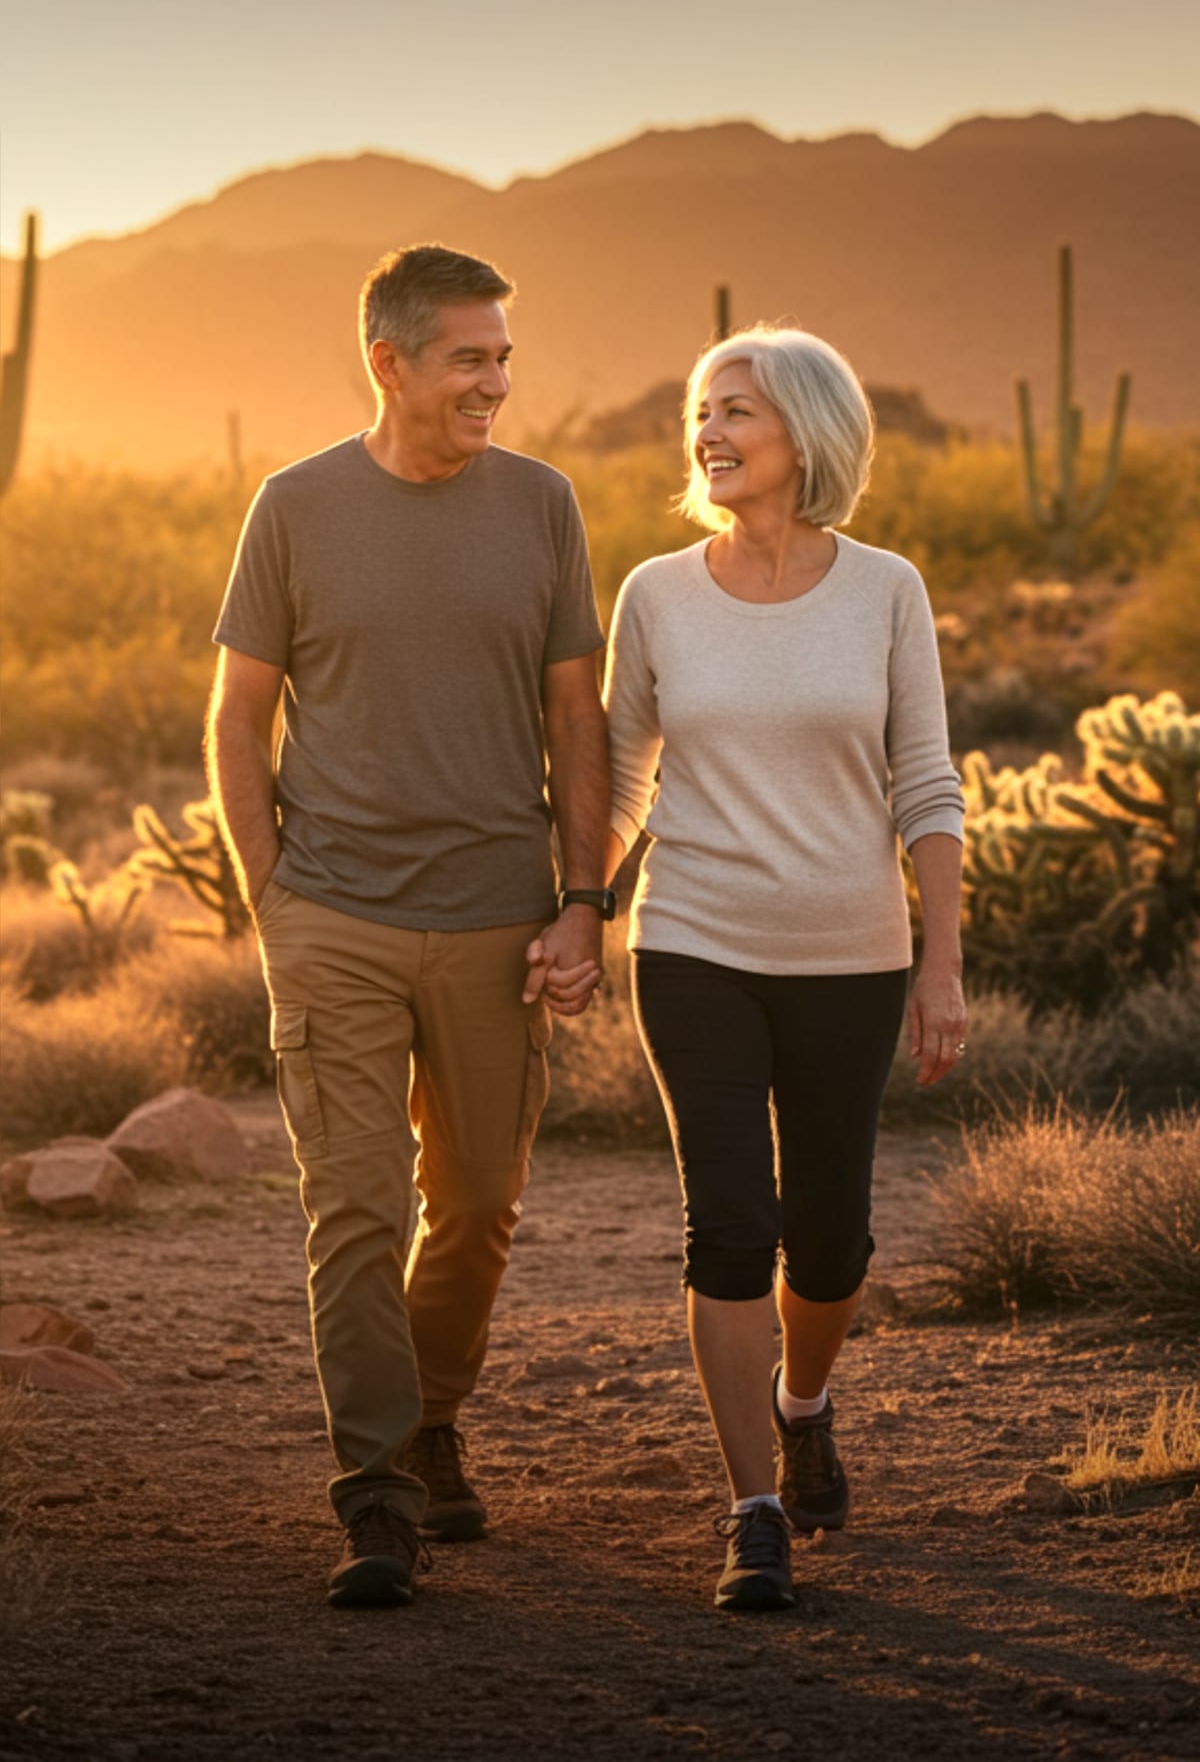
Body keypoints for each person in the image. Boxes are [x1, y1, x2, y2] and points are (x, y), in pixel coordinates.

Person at [206, 244, 612, 1609]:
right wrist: (274, 895)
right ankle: (377, 1485)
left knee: (482, 1204)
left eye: (503, 355)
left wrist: (581, 899)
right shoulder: (296, 507)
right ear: (392, 362)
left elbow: (576, 719)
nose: (495, 380)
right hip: (337, 919)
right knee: (357, 1203)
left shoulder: (543, 506)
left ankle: (434, 1412)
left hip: (501, 918)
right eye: (469, 359)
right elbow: (236, 716)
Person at [602, 325, 966, 1613]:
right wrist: (582, 904)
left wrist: (940, 964)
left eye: (736, 409)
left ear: (805, 430)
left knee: (829, 1240)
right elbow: (625, 774)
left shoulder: (885, 589)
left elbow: (925, 781)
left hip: (851, 954)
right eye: (701, 409)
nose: (708, 430)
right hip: (692, 940)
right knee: (730, 1225)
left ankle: (804, 1404)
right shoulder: (654, 592)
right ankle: (752, 1509)